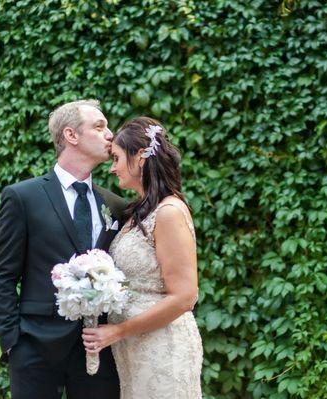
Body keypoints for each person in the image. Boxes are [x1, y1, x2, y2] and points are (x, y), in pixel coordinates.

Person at [0, 99, 127, 399]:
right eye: (99, 126)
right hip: (34, 348)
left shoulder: (115, 205)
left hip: (98, 349)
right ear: (71, 135)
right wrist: (12, 342)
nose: (110, 135)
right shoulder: (22, 197)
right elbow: (2, 275)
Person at [82, 116, 203, 398]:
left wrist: (118, 331)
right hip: (134, 353)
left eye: (116, 158)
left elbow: (185, 296)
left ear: (139, 158)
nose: (111, 168)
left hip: (163, 348)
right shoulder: (138, 212)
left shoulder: (169, 212)